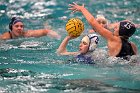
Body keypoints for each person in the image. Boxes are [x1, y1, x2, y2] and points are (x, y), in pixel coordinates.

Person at [69, 2, 138, 60]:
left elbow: (93, 22)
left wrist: (82, 9)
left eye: (116, 28)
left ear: (121, 31)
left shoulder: (113, 39)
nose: (114, 28)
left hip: (112, 68)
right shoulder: (132, 45)